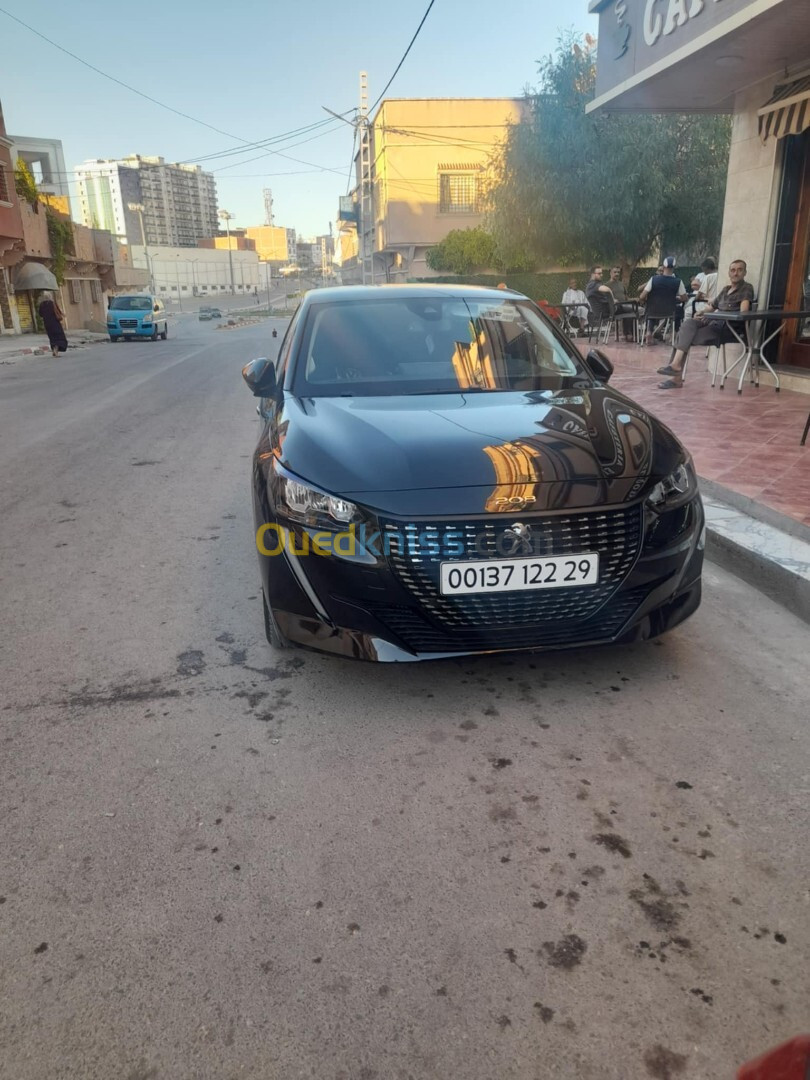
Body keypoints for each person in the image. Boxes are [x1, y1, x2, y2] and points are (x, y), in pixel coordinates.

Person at [657, 259, 754, 388]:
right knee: (689, 323)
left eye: (739, 270)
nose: (735, 273)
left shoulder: (746, 288)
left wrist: (716, 315)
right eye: (733, 270)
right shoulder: (726, 290)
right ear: (729, 273)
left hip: (728, 328)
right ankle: (675, 366)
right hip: (713, 322)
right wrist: (702, 312)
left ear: (744, 273)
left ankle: (676, 376)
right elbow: (712, 306)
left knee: (684, 336)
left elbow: (744, 312)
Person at [639, 257, 688, 345]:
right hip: (670, 311)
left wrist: (646, 300)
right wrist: (676, 298)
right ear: (673, 268)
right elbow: (684, 298)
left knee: (650, 311)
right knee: (679, 310)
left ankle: (649, 332)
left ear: (663, 267)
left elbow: (642, 296)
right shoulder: (678, 281)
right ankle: (673, 334)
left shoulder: (654, 279)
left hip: (653, 310)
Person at [608, 266, 637, 341]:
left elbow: (626, 298)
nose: (617, 274)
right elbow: (606, 298)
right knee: (631, 310)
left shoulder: (621, 284)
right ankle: (629, 334)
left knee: (635, 309)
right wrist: (613, 300)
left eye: (618, 272)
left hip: (625, 305)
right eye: (615, 272)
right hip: (615, 307)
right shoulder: (607, 285)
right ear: (610, 273)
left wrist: (635, 299)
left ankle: (631, 334)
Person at [37, 292, 67, 357]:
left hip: (47, 324)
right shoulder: (52, 303)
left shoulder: (42, 305)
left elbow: (40, 314)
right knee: (59, 337)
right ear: (50, 297)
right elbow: (58, 311)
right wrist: (63, 314)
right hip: (55, 323)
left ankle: (54, 350)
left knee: (52, 338)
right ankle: (56, 351)